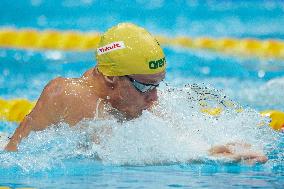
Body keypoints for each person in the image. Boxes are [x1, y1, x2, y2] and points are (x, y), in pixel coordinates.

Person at [4, 23, 268, 164]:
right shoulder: (72, 97)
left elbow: (174, 133)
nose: (154, 97)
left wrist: (216, 147)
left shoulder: (131, 93)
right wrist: (202, 157)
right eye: (145, 86)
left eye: (157, 85)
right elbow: (121, 153)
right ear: (110, 77)